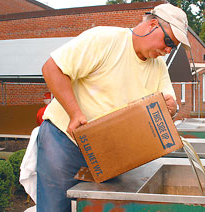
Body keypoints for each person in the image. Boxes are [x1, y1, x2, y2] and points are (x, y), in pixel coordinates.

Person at [36, 3, 190, 211]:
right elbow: (52, 68)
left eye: (174, 47)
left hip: (110, 156)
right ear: (153, 25)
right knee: (56, 207)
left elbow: (169, 103)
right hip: (65, 142)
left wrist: (173, 108)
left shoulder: (158, 65)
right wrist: (74, 113)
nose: (168, 50)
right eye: (169, 41)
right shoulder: (105, 40)